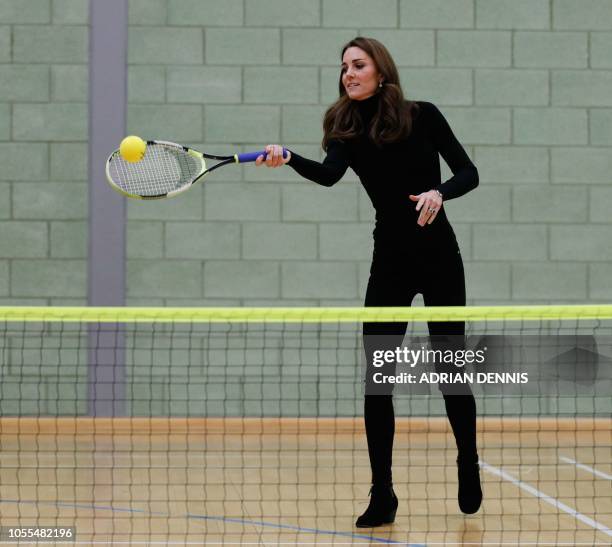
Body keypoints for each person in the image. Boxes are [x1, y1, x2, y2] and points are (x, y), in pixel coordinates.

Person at [256, 36, 482, 527]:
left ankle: (468, 460)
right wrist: (288, 157)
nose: (348, 74)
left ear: (381, 70)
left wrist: (439, 193)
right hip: (391, 261)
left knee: (450, 370)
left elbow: (469, 172)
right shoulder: (345, 128)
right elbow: (329, 175)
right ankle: (383, 493)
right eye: (343, 68)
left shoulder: (424, 115)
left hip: (439, 253)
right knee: (378, 381)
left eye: (358, 65)